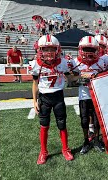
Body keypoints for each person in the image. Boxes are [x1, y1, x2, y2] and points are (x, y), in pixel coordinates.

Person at [29, 34, 74, 164]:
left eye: (52, 49)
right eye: (45, 49)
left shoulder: (63, 62)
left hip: (58, 96)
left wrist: (80, 76)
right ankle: (43, 152)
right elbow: (35, 84)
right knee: (44, 125)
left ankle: (65, 149)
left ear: (57, 50)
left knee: (62, 124)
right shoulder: (36, 64)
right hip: (44, 98)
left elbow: (70, 79)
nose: (49, 52)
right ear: (40, 50)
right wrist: (34, 101)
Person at [68, 36, 105, 154]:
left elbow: (105, 77)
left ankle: (97, 140)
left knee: (97, 119)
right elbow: (71, 80)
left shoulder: (101, 62)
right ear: (80, 49)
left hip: (97, 95)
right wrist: (80, 77)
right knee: (84, 120)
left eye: (91, 49)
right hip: (84, 95)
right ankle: (86, 141)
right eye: (86, 49)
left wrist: (96, 77)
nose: (89, 52)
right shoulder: (76, 62)